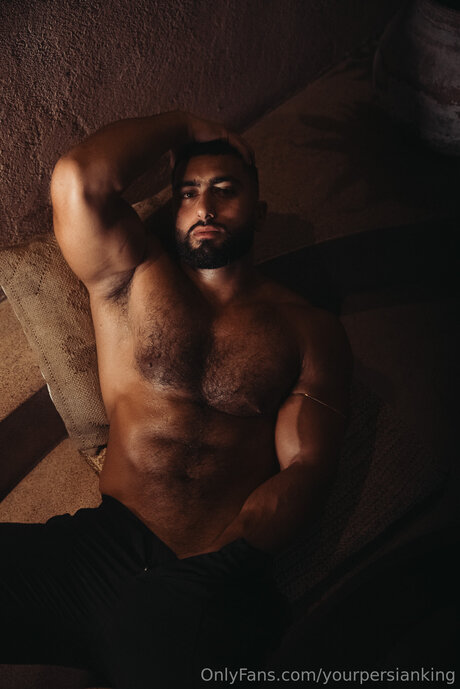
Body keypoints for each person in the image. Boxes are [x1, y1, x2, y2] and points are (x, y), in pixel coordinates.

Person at [1, 111, 352, 688]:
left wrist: (220, 567)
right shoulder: (133, 275)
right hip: (98, 551)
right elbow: (78, 179)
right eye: (189, 193)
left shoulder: (308, 329)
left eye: (225, 190)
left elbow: (309, 467)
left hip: (211, 578)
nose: (205, 207)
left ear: (259, 211)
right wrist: (185, 125)